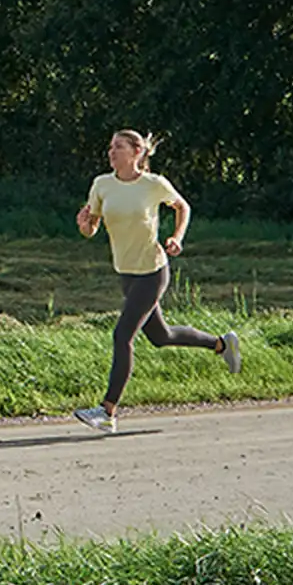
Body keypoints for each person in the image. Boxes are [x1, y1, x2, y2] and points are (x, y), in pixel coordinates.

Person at [71, 128, 239, 431]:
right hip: (126, 272)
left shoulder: (153, 184)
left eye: (119, 147)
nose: (111, 152)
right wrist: (84, 225)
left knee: (122, 336)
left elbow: (182, 207)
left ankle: (107, 412)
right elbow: (92, 227)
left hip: (152, 271)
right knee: (161, 337)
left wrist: (176, 237)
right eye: (110, 147)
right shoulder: (101, 185)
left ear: (137, 152)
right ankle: (221, 345)